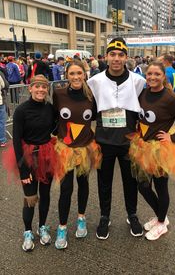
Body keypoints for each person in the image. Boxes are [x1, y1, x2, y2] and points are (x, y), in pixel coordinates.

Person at [128, 61, 175, 241]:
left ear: (163, 76)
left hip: (160, 150)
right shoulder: (143, 92)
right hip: (142, 146)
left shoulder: (170, 98)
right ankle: (161, 217)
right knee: (142, 186)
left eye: (157, 74)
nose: (152, 77)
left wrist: (172, 138)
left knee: (160, 186)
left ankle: (160, 223)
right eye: (149, 74)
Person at [87, 37, 146, 240]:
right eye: (113, 54)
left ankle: (132, 214)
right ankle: (105, 216)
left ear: (126, 57)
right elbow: (87, 111)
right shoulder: (95, 82)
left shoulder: (139, 82)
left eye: (121, 55)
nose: (116, 58)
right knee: (104, 182)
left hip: (129, 142)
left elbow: (149, 109)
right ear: (106, 56)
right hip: (104, 142)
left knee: (130, 182)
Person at [3, 75, 57, 251]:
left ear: (47, 89)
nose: (41, 90)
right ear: (30, 88)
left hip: (47, 156)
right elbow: (17, 141)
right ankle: (27, 231)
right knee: (30, 197)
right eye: (37, 87)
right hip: (28, 158)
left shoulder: (50, 108)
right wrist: (23, 171)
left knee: (46, 194)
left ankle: (42, 226)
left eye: (44, 87)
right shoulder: (21, 111)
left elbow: (57, 127)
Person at [53, 59, 101, 249]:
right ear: (67, 75)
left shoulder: (91, 95)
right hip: (65, 149)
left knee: (83, 184)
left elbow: (97, 117)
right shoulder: (58, 94)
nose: (76, 77)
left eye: (79, 73)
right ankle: (62, 227)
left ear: (84, 74)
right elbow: (53, 117)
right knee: (66, 189)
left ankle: (81, 217)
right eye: (72, 73)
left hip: (86, 148)